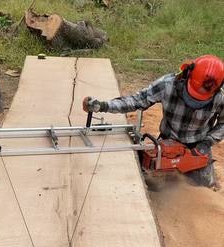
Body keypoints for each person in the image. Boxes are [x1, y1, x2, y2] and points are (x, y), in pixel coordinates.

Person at [83, 54, 224, 187]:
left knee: (204, 186)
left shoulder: (220, 97)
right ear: (187, 75)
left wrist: (207, 142)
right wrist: (103, 106)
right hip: (168, 142)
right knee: (155, 185)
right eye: (192, 95)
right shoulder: (167, 85)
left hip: (198, 147)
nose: (194, 101)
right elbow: (137, 100)